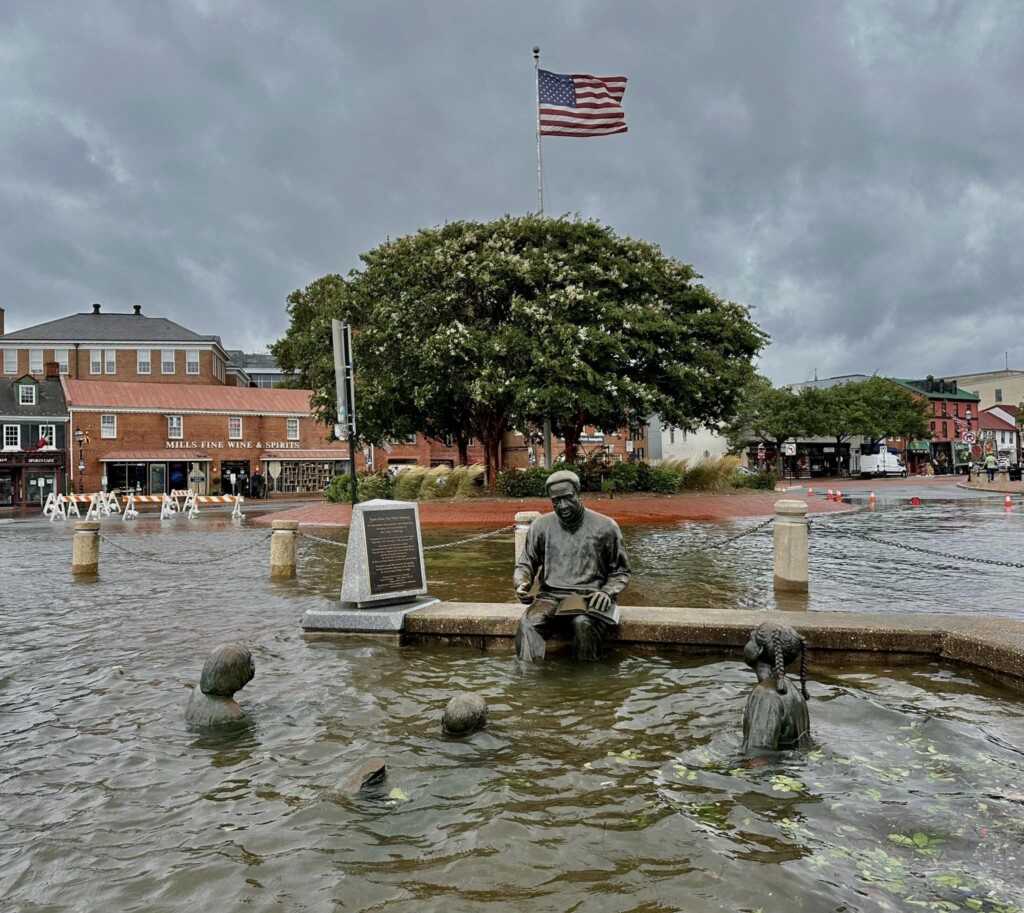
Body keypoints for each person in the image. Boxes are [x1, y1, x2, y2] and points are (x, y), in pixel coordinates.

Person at [513, 470, 631, 662]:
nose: (562, 506)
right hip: (550, 597)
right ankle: (529, 681)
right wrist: (521, 582)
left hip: (590, 598)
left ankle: (587, 682)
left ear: (578, 493)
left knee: (583, 624)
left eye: (567, 498)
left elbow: (621, 572)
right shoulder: (541, 526)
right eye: (556, 501)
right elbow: (526, 563)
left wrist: (607, 592)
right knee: (529, 623)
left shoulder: (606, 526)